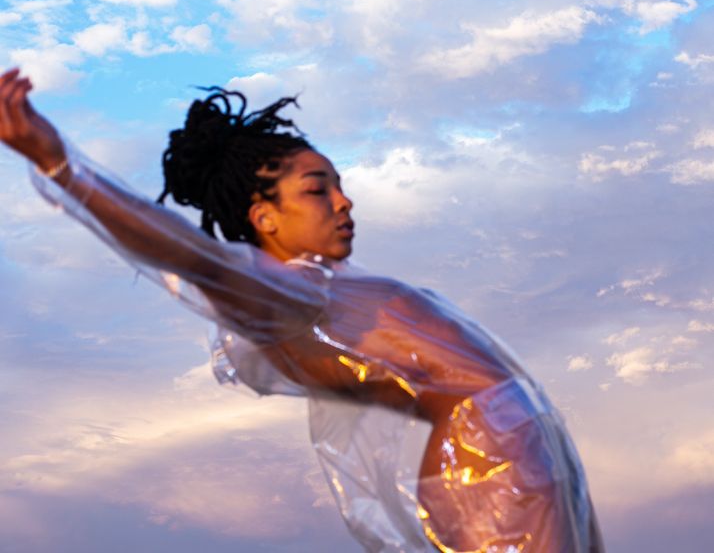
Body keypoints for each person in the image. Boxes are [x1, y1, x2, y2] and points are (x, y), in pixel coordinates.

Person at [0, 67, 604, 552]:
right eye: (317, 189)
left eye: (338, 184)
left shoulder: (321, 286)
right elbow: (194, 258)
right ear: (264, 219)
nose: (343, 201)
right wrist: (61, 166)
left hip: (512, 456)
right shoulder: (285, 296)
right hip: (491, 470)